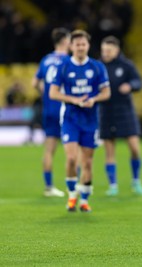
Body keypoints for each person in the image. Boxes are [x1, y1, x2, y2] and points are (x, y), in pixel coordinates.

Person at [49, 30, 111, 212]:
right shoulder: (64, 67)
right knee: (70, 158)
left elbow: (106, 93)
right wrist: (74, 100)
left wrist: (94, 100)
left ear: (88, 46)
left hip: (90, 120)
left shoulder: (97, 67)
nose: (80, 47)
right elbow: (53, 93)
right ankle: (71, 195)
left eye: (83, 44)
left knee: (88, 162)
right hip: (70, 118)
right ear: (71, 46)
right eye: (77, 45)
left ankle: (84, 199)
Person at [99, 36, 142, 196]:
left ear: (117, 50)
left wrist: (131, 85)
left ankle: (136, 180)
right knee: (109, 151)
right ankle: (113, 185)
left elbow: (139, 82)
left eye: (108, 50)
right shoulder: (98, 67)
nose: (105, 53)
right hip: (106, 111)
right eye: (104, 50)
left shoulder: (126, 65)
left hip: (125, 110)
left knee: (134, 148)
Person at [32, 27, 71, 197]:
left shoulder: (45, 60)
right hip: (65, 109)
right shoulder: (69, 61)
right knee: (73, 149)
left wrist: (47, 94)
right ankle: (74, 186)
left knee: (49, 150)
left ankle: (49, 187)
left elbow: (35, 82)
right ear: (64, 41)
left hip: (49, 109)